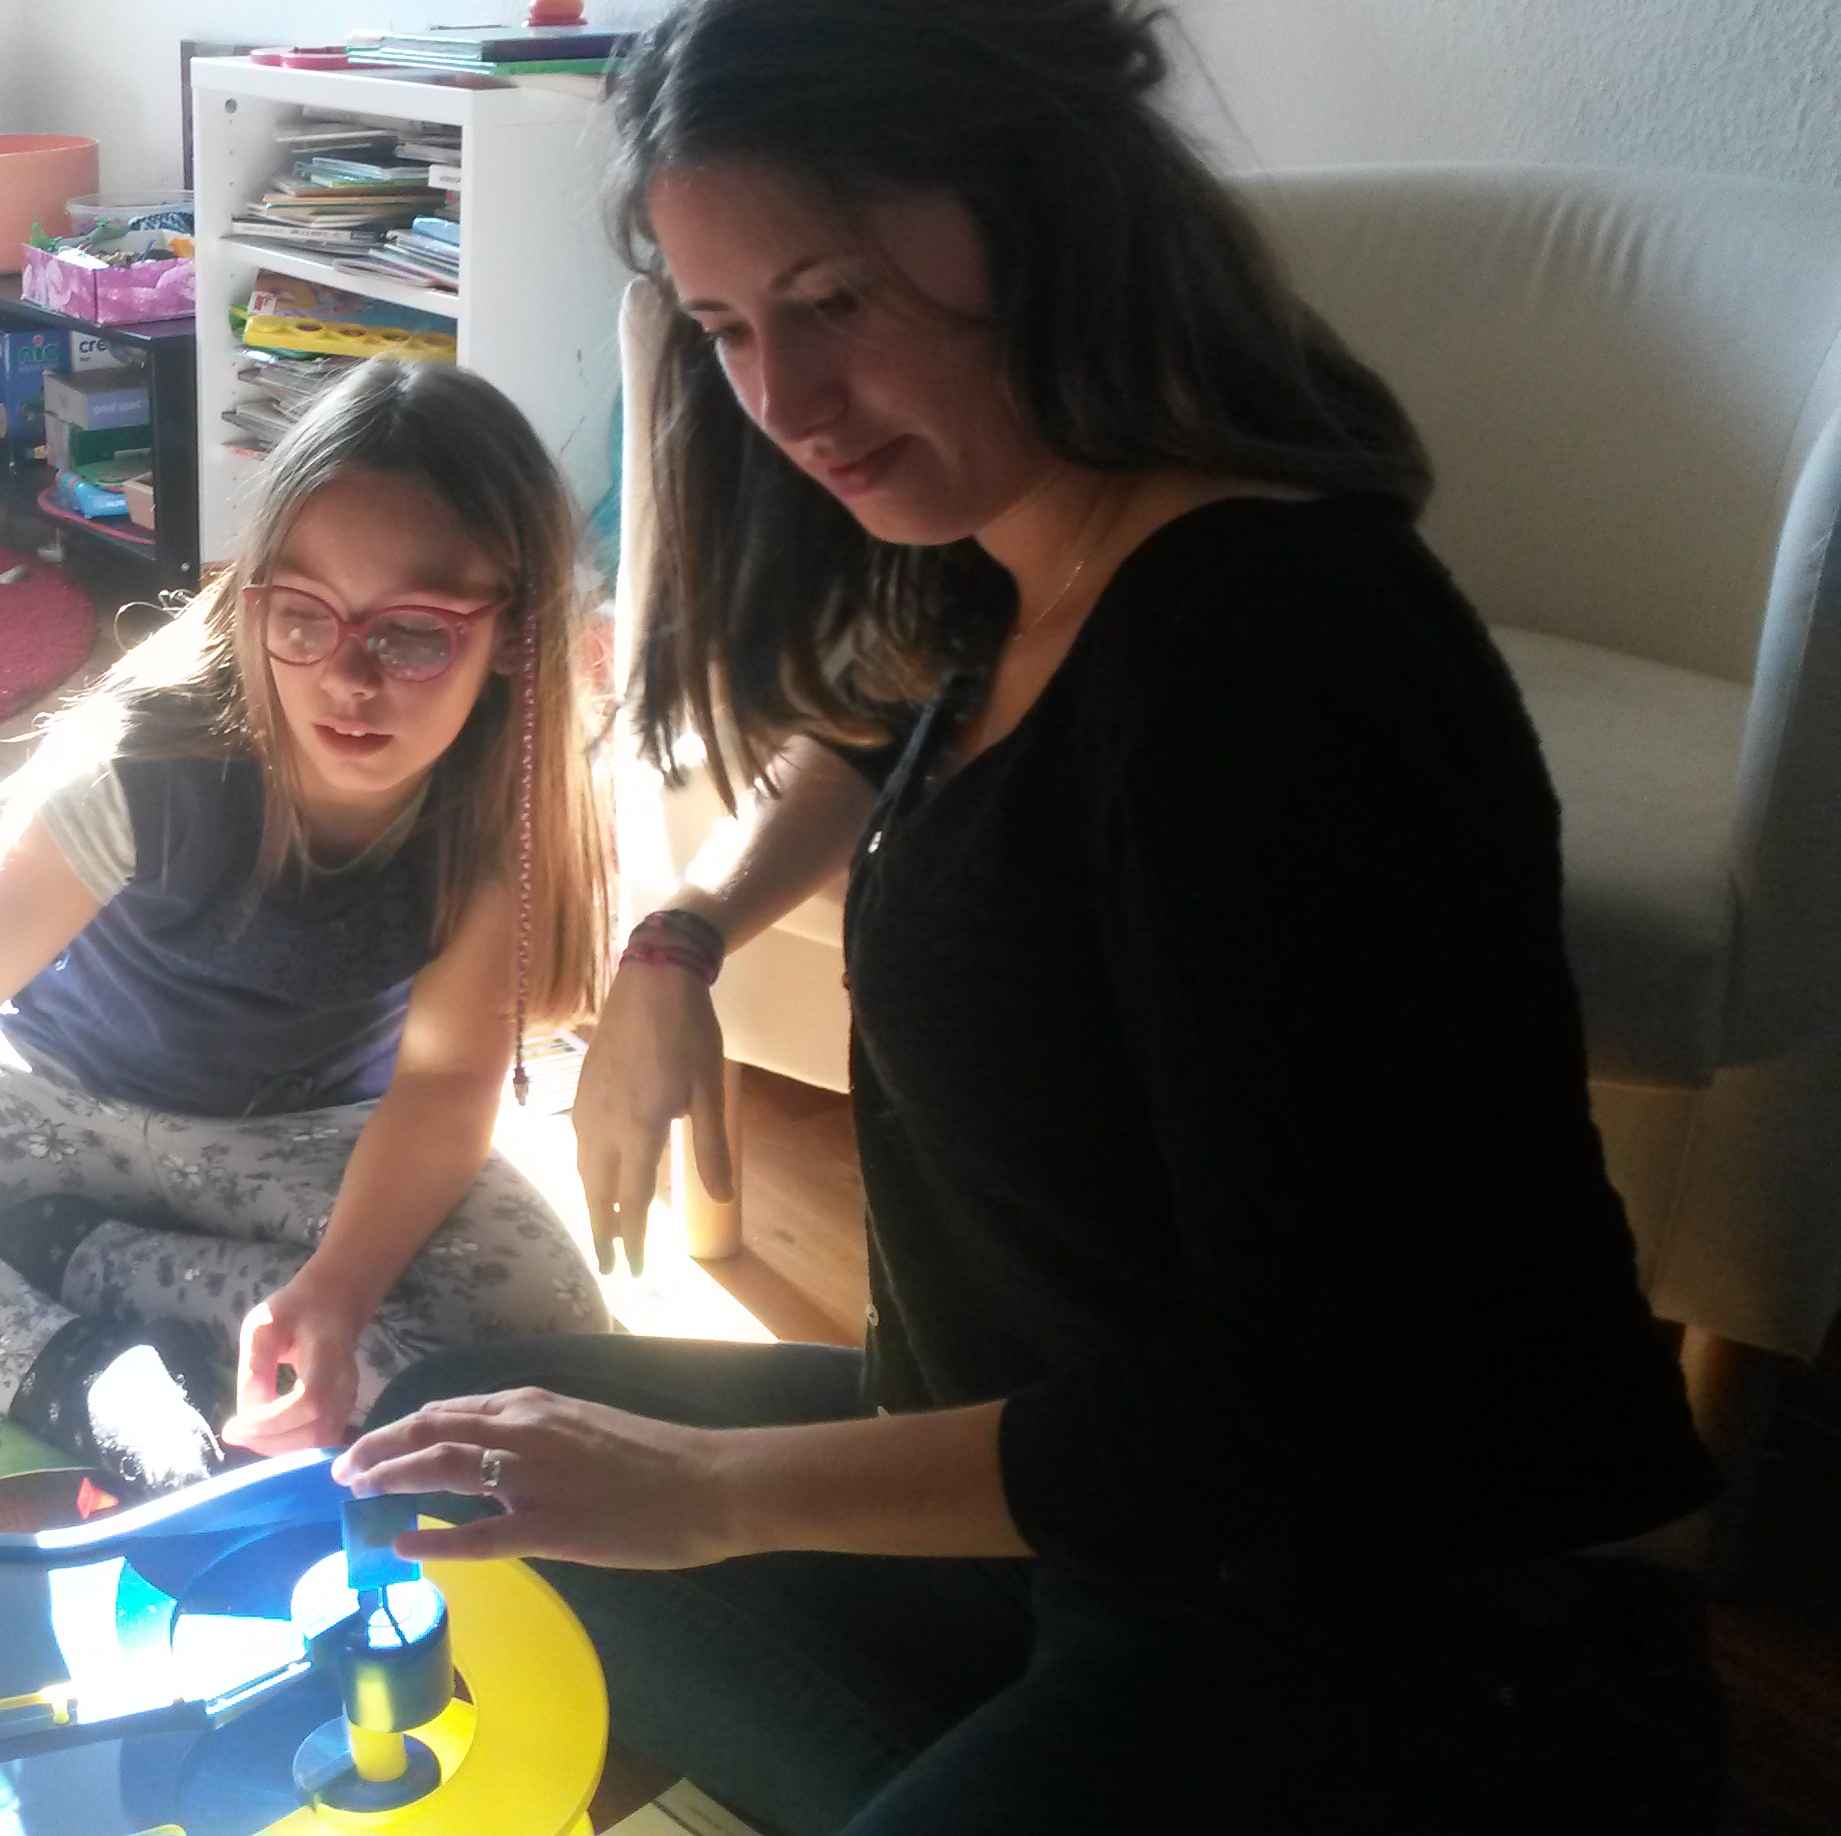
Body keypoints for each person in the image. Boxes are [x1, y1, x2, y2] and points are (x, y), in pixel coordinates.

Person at [341, 3, 1724, 1832]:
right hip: (1066, 1527)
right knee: (449, 1439)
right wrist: (677, 939)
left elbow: (1313, 1405)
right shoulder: (1008, 564)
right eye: (729, 329)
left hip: (1398, 1610)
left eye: (833, 300)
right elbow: (868, 735)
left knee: (608, 1506)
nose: (784, 402)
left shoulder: (1272, 666)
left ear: (1044, 214)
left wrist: (713, 1493)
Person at [0, 361, 613, 1491]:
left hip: (297, 1147)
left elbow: (446, 1089)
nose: (348, 678)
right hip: (55, 1110)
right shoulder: (147, 759)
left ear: (514, 636)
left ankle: (80, 1259)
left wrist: (340, 1287)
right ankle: (66, 1370)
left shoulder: (495, 809)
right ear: (253, 601)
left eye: (412, 636)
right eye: (303, 618)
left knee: (552, 1333)